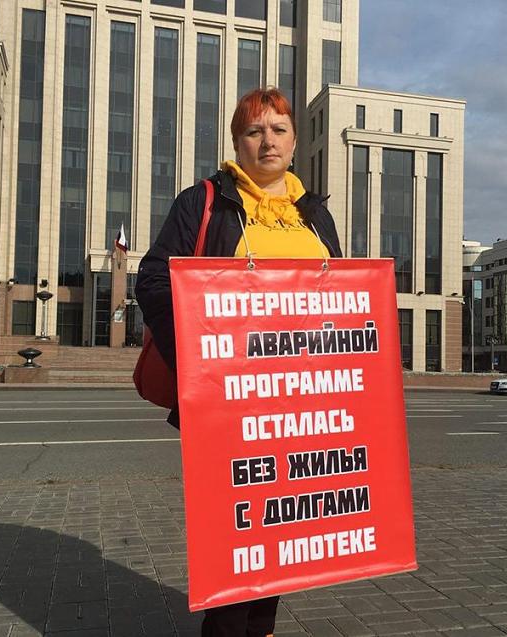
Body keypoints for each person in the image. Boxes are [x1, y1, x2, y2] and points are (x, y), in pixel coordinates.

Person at [136, 87, 342, 636]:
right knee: (237, 536)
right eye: (254, 131)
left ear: (294, 142)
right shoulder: (202, 202)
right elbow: (154, 281)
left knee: (281, 533)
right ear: (237, 142)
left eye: (278, 129)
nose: (267, 140)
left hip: (303, 403)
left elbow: (344, 299)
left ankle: (262, 629)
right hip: (229, 402)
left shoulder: (315, 214)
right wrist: (198, 365)